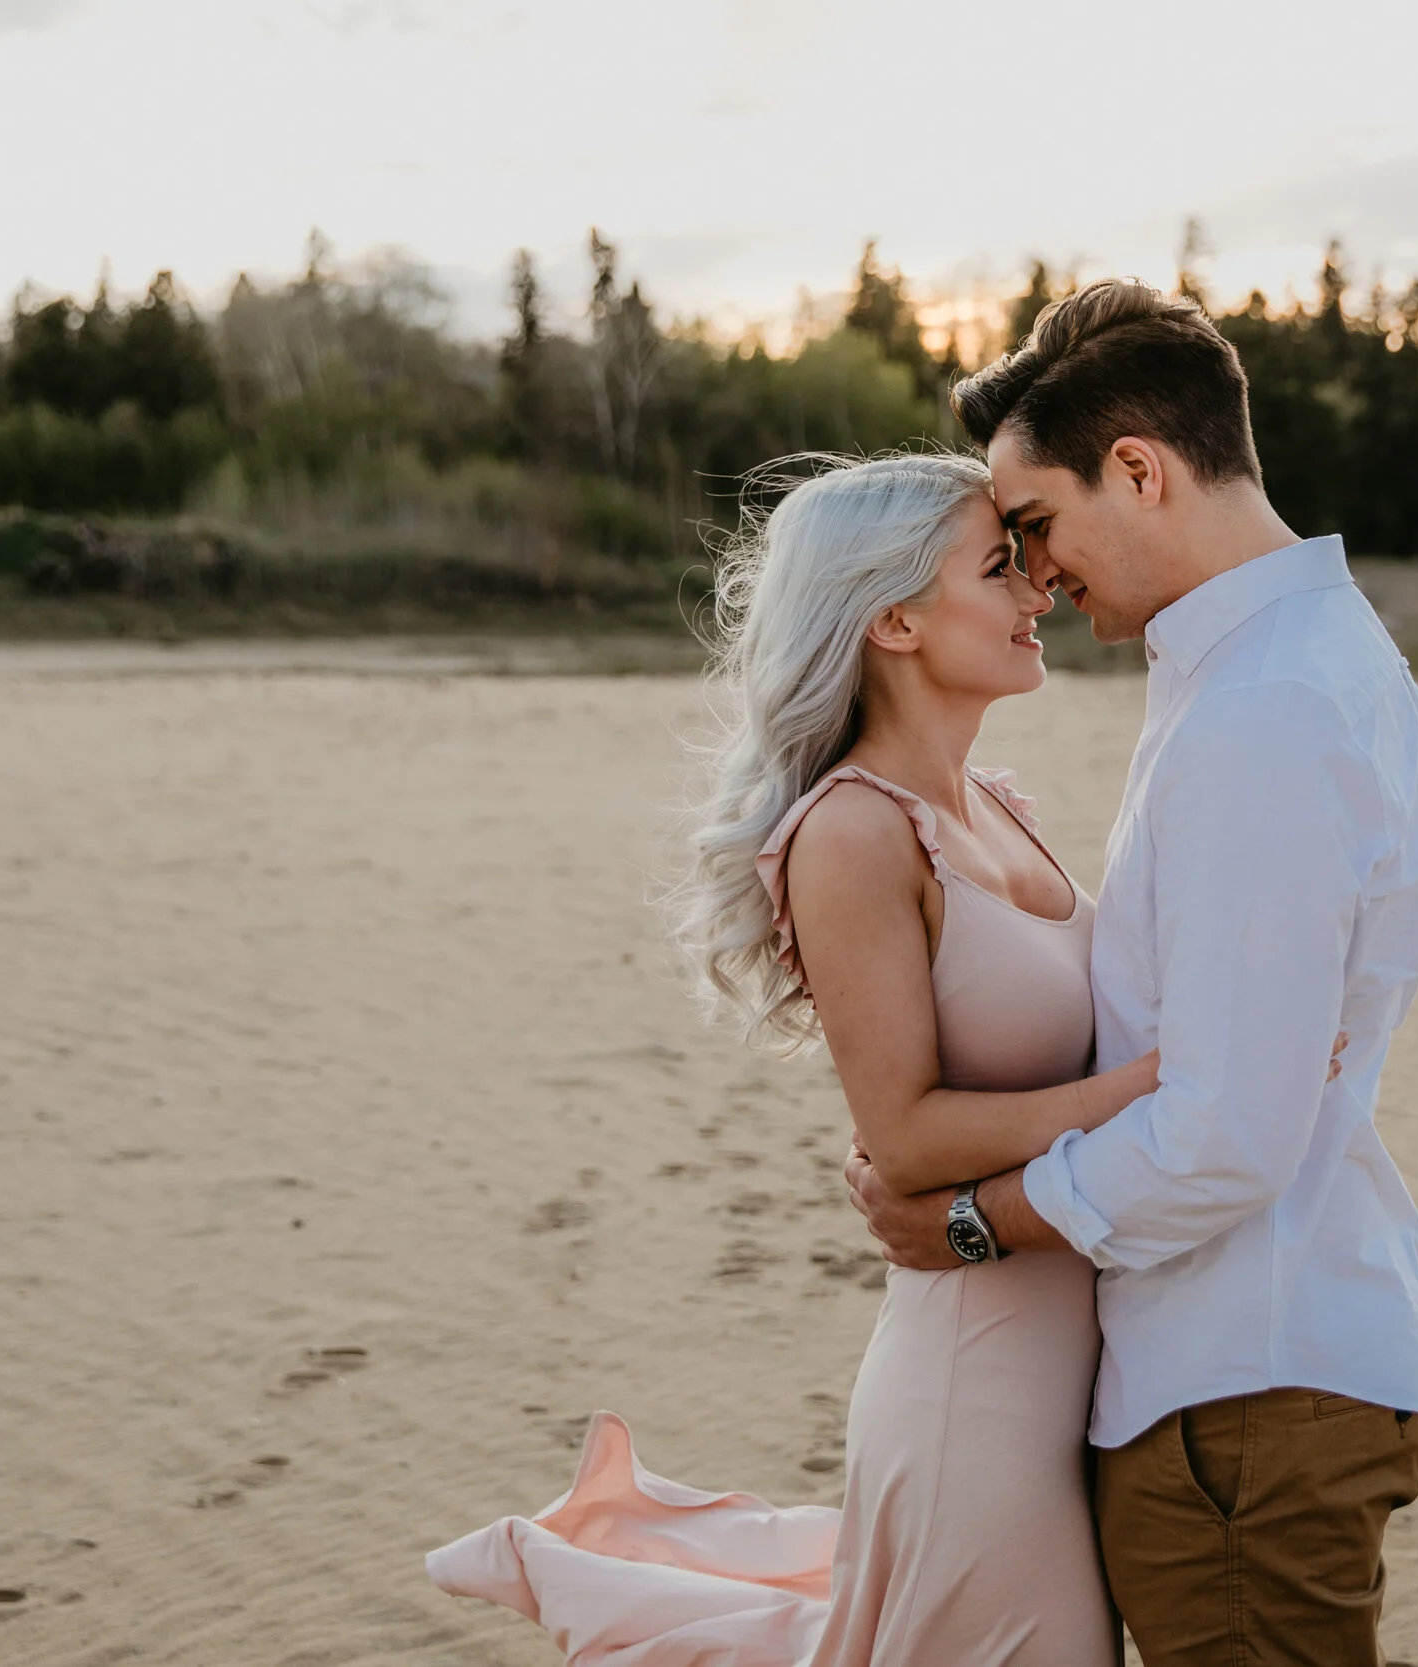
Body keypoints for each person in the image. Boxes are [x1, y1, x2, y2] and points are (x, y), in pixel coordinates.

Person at [424, 448, 1344, 1664]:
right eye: (997, 565)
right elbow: (903, 1135)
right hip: (980, 1399)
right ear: (895, 617)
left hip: (1092, 1384)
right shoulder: (853, 832)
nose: (1036, 591)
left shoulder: (998, 803)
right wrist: (1164, 1084)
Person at [844, 279, 1418, 1666]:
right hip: (1247, 1372)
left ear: (1140, 469)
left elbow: (1227, 1134)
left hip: (1244, 1382)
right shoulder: (1270, 669)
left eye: (1038, 527)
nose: (1038, 575)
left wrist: (970, 1219)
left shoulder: (1267, 710)